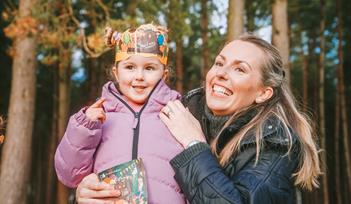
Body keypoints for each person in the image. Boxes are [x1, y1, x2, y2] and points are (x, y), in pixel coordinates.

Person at [75, 34, 321, 204]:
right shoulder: (180, 112)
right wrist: (87, 191)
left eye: (240, 69)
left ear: (263, 92)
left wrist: (194, 144)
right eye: (219, 63)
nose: (221, 74)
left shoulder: (277, 144)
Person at [55, 23, 186, 204]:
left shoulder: (177, 115)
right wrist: (84, 129)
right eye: (130, 67)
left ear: (163, 75)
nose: (139, 76)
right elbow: (68, 174)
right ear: (116, 73)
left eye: (149, 68)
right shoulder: (99, 117)